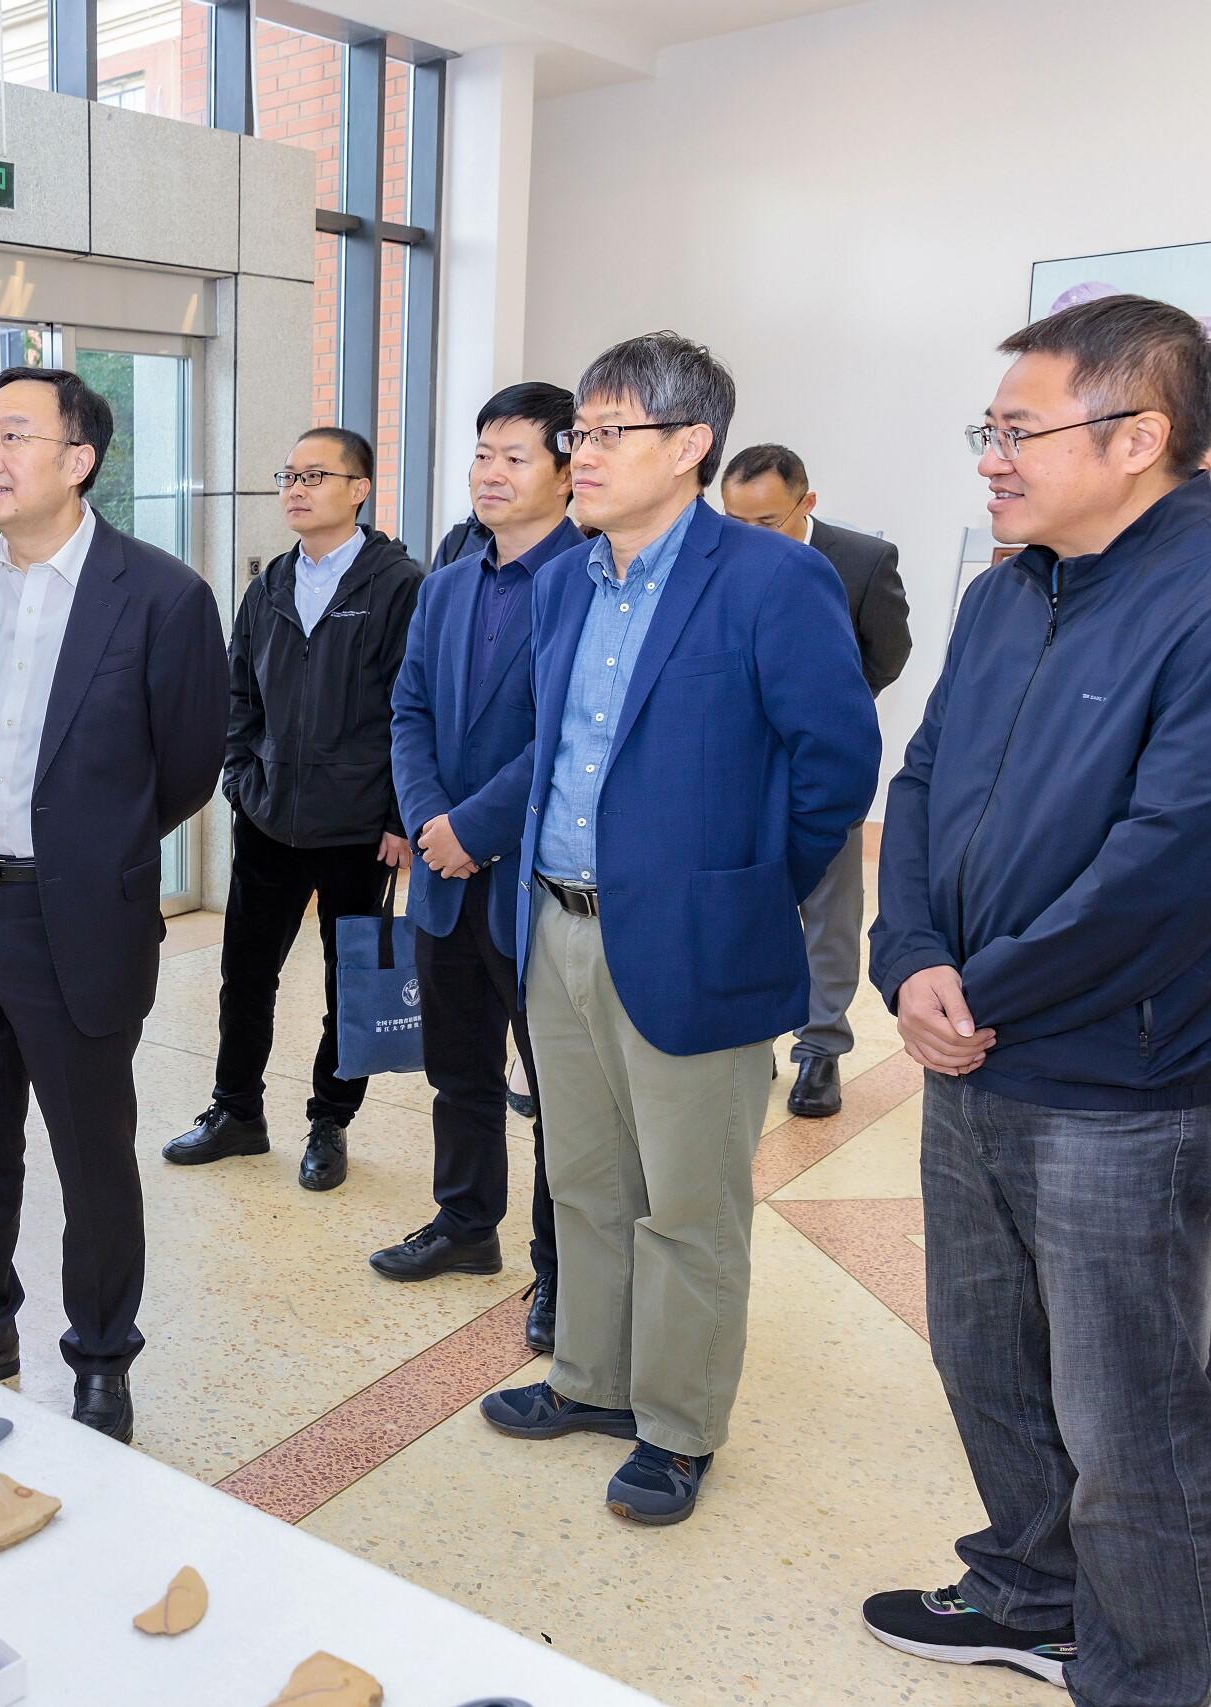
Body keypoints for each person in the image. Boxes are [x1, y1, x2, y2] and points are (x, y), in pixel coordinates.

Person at [864, 295, 1211, 1705]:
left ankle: (1159, 1672)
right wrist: (909, 960)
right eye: (988, 429)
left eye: (1019, 431)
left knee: (1131, 1418)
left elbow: (1171, 858)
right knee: (987, 1357)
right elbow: (921, 781)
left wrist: (978, 993)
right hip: (971, 1056)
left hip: (1119, 1085)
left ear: (1137, 437)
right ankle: (1033, 1592)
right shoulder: (1007, 591)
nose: (990, 458)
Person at [477, 333, 876, 1527]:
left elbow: (834, 764)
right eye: (579, 433)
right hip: (556, 925)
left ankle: (677, 1425)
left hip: (697, 940)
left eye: (607, 433)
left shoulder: (768, 580)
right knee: (584, 1181)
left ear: (689, 443)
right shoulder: (565, 580)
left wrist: (745, 891)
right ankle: (591, 1379)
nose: (581, 454)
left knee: (690, 1205)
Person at [0, 366, 224, 1441]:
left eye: (13, 437)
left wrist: (92, 845)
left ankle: (102, 1358)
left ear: (78, 460)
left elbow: (187, 767)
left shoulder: (162, 595)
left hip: (77, 916)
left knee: (91, 1156)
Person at [165, 428, 420, 1192]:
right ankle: (236, 1111)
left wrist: (399, 817)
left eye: (315, 475)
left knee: (352, 983)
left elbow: (415, 708)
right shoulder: (270, 584)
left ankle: (330, 1120)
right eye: (288, 475)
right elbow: (237, 693)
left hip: (359, 826)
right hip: (269, 817)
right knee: (245, 975)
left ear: (359, 489)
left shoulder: (398, 585)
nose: (296, 488)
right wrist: (242, 780)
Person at [383, 382, 583, 1343]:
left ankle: (561, 1272)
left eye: (514, 457)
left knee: (560, 1096)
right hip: (443, 873)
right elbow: (409, 710)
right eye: (481, 454)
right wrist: (432, 820)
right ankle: (466, 1224)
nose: (489, 474)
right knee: (457, 1069)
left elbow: (565, 736)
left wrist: (476, 828)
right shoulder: (448, 582)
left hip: (532, 883)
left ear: (568, 470)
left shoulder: (591, 581)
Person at [719, 443, 912, 1119]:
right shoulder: (713, 560)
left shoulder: (861, 560)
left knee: (829, 911)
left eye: (765, 521)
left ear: (806, 503)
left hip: (823, 765)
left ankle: (821, 1047)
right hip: (737, 769)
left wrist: (826, 712)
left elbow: (888, 654)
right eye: (734, 521)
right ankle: (755, 1032)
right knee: (746, 904)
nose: (748, 536)